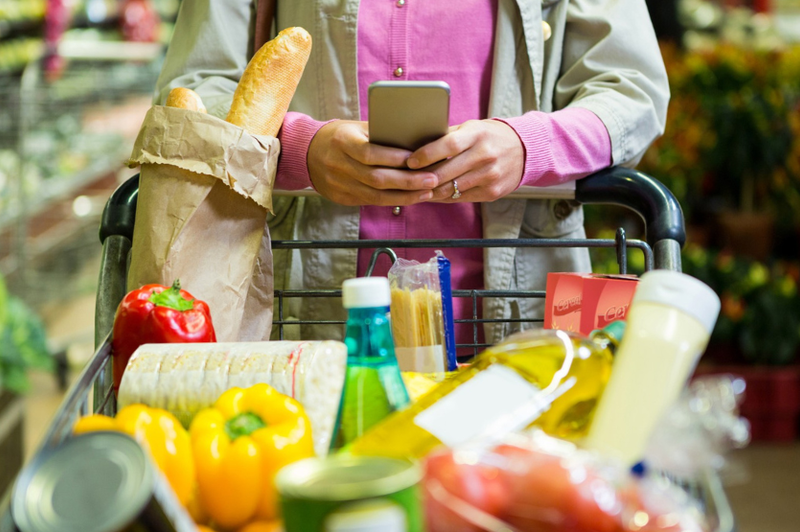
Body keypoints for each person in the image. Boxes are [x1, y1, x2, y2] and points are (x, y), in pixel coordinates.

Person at [154, 0, 669, 350]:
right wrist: (297, 149)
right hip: (306, 311)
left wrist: (528, 146)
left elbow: (632, 91)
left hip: (519, 310)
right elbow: (194, 88)